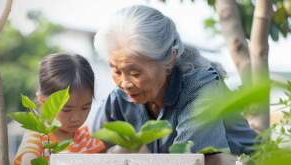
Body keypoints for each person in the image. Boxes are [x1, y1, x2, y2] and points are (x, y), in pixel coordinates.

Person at [91, 5, 257, 154]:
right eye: (116, 71)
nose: (125, 84)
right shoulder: (119, 98)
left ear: (170, 59)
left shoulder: (200, 88)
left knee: (213, 164)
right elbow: (91, 150)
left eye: (135, 73)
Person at [13, 53, 105, 165]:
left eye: (85, 107)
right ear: (43, 101)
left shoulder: (85, 139)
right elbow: (27, 161)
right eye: (67, 109)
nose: (77, 117)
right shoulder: (38, 136)